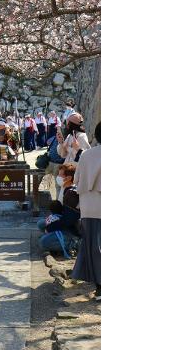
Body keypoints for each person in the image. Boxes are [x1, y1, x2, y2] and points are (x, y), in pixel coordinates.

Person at [70, 121, 101, 301]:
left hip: (90, 205)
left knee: (93, 247)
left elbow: (77, 179)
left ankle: (99, 287)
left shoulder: (87, 155)